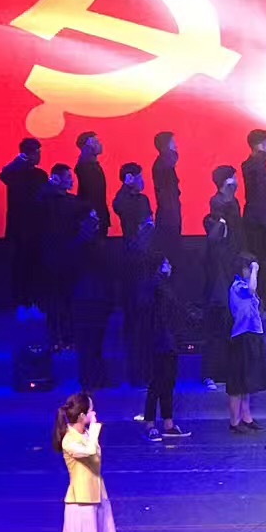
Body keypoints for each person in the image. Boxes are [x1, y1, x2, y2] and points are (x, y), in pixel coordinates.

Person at [54, 393, 121, 532]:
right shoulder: (69, 439)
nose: (94, 414)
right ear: (82, 415)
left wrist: (91, 431)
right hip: (79, 503)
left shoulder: (85, 436)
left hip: (97, 498)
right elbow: (90, 451)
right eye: (91, 410)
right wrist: (93, 429)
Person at [113, 163, 155, 395]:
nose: (142, 181)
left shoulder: (143, 200)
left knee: (145, 322)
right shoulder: (122, 200)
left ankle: (146, 372)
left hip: (146, 261)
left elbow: (149, 223)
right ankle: (136, 375)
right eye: (138, 177)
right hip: (132, 262)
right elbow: (121, 209)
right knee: (134, 321)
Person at [37, 164, 87, 350]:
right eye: (67, 177)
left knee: (67, 300)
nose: (71, 180)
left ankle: (67, 338)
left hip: (68, 258)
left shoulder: (74, 202)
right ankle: (57, 339)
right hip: (52, 259)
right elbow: (36, 202)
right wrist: (49, 186)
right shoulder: (45, 202)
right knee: (55, 301)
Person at [144, 255, 190, 442]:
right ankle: (150, 424)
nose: (170, 266)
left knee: (168, 382)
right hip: (159, 340)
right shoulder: (154, 287)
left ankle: (168, 423)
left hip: (170, 339)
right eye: (166, 263)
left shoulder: (167, 286)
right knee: (157, 383)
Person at [0, 138, 47, 314]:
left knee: (35, 267)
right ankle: (21, 304)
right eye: (35, 152)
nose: (38, 156)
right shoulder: (14, 174)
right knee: (21, 267)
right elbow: (3, 174)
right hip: (20, 229)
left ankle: (33, 302)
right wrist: (18, 161)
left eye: (39, 152)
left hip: (37, 228)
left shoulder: (40, 175)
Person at [227, 252, 266, 433]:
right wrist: (255, 270)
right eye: (248, 267)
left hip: (253, 334)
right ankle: (234, 421)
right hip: (241, 336)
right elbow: (251, 289)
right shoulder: (237, 286)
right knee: (237, 382)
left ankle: (247, 417)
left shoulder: (246, 285)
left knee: (247, 381)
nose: (250, 271)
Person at [72, 209, 112, 393]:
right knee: (89, 343)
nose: (97, 220)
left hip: (92, 297)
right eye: (93, 217)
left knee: (94, 343)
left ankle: (94, 379)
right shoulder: (84, 245)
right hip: (88, 298)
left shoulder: (90, 244)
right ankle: (90, 379)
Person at [242, 129, 266, 305]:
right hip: (259, 222)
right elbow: (260, 196)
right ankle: (262, 299)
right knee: (263, 260)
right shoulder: (256, 164)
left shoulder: (254, 164)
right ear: (259, 145)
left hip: (257, 219)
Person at [201, 212, 233, 394]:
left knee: (224, 337)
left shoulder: (223, 248)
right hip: (215, 300)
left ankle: (221, 373)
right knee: (212, 339)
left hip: (224, 299)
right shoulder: (211, 248)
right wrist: (221, 223)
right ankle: (209, 375)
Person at [152, 131, 182, 262]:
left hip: (170, 211)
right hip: (169, 213)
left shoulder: (163, 164)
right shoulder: (163, 165)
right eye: (172, 143)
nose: (176, 146)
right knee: (171, 247)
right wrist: (173, 213)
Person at [74, 132, 109, 236]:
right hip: (92, 216)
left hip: (98, 214)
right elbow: (91, 194)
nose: (99, 144)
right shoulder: (85, 168)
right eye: (95, 142)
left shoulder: (93, 166)